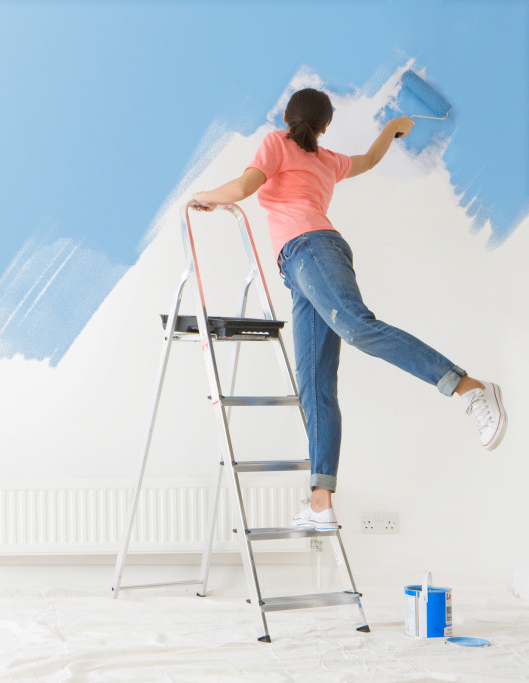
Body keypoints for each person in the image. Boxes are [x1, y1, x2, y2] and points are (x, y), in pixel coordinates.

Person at [187, 88, 507, 532]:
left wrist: (202, 195)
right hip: (298, 267)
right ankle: (320, 503)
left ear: (287, 117)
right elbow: (370, 161)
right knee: (314, 382)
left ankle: (470, 388)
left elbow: (243, 188)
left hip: (312, 249)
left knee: (358, 329)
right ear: (325, 125)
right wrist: (391, 130)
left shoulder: (278, 143)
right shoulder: (326, 159)